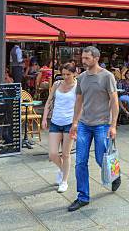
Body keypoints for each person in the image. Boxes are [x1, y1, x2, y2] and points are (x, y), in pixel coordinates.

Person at [68, 46, 119, 212]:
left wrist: (113, 125)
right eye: (82, 58)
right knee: (80, 162)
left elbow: (114, 101)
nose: (83, 61)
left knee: (100, 159)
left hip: (102, 124)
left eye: (87, 58)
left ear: (96, 58)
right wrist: (75, 122)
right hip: (84, 124)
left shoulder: (107, 76)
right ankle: (83, 196)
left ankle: (115, 174)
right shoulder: (81, 78)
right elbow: (79, 101)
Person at [42, 63, 77, 193]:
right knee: (52, 154)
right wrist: (44, 118)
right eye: (63, 74)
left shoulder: (78, 87)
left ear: (74, 73)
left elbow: (81, 106)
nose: (65, 77)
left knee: (66, 154)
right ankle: (63, 170)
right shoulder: (57, 84)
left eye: (68, 74)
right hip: (56, 122)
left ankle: (64, 181)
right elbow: (49, 101)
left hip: (70, 123)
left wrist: (77, 123)